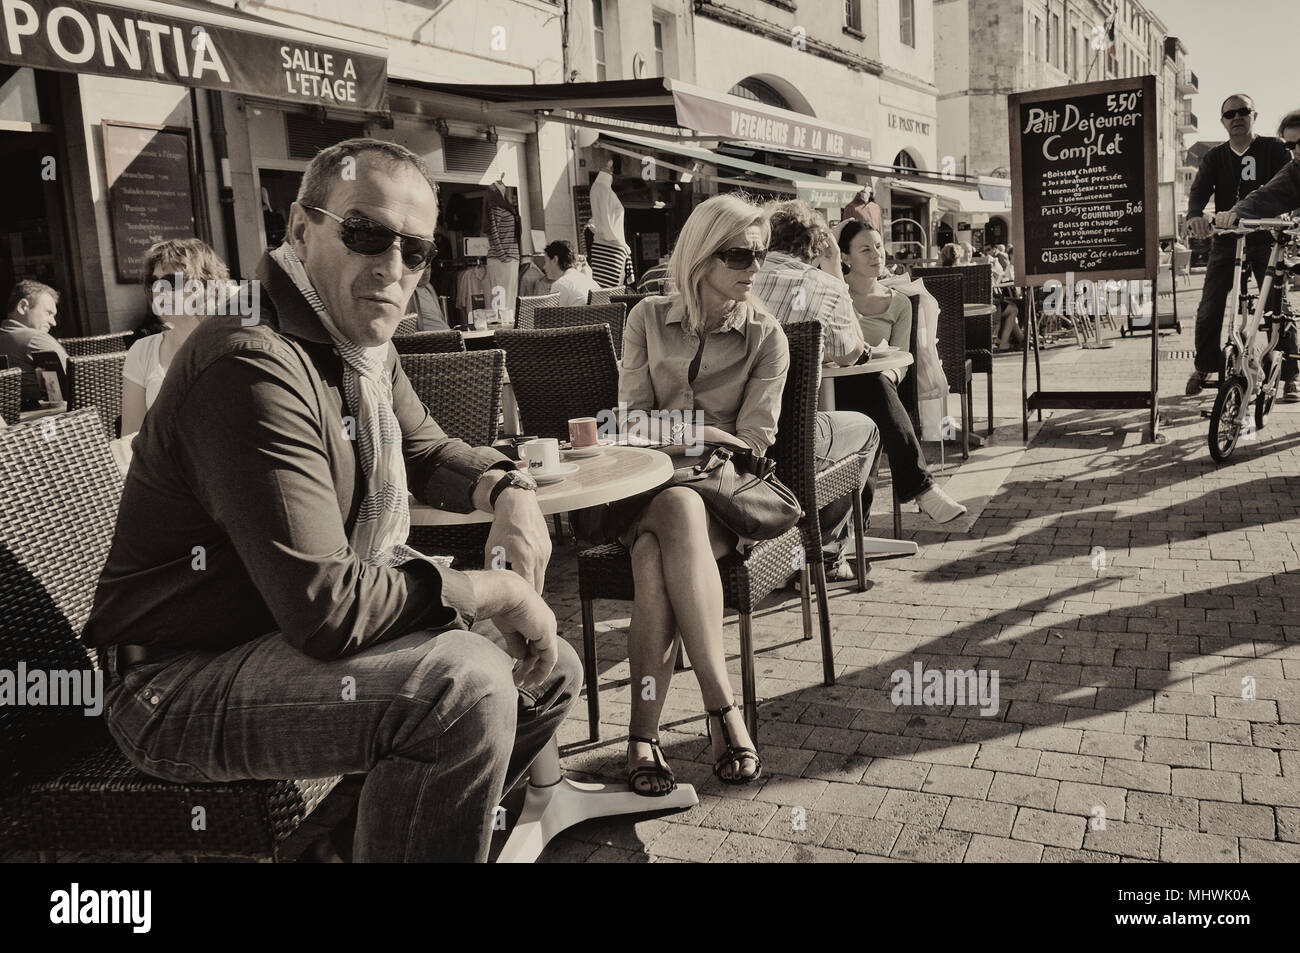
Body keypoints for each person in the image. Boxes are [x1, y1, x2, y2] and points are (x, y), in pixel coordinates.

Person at [82, 138, 580, 863]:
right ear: (298, 229)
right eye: (366, 233)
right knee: (464, 690)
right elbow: (329, 608)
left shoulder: (357, 346)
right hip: (171, 687)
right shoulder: (251, 361)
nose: (393, 267)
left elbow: (427, 449)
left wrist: (509, 487)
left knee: (550, 669)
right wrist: (495, 589)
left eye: (417, 251)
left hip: (268, 642)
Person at [616, 193, 788, 796]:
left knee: (655, 550)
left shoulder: (767, 337)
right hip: (645, 487)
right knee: (668, 513)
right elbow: (627, 422)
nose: (755, 267)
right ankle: (723, 710)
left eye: (761, 254)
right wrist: (706, 432)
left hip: (721, 498)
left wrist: (697, 438)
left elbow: (755, 444)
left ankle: (643, 736)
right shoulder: (645, 318)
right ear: (701, 256)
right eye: (740, 254)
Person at [750, 200, 882, 583]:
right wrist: (834, 271)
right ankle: (827, 548)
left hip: (738, 435)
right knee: (867, 431)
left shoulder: (741, 279)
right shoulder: (823, 286)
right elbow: (851, 352)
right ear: (814, 245)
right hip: (794, 433)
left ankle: (787, 543)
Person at [836, 220, 967, 524]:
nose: (876, 255)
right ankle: (922, 489)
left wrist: (884, 377)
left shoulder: (900, 303)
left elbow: (900, 360)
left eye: (878, 247)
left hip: (880, 386)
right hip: (834, 389)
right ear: (845, 258)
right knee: (875, 403)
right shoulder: (835, 296)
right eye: (865, 249)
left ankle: (851, 534)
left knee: (874, 393)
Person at [1184, 94, 1292, 397]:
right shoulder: (1215, 157)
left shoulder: (1274, 149)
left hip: (1266, 238)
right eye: (1230, 114)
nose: (1236, 118)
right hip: (1227, 239)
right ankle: (1205, 364)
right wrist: (1195, 216)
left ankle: (1290, 373)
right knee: (1210, 305)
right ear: (1222, 121)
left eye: (1243, 112)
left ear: (1254, 115)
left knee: (1276, 305)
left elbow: (1291, 184)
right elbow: (1200, 190)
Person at [120, 240, 231, 436]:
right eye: (154, 282)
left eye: (171, 281)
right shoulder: (142, 351)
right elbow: (131, 436)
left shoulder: (231, 345)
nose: (159, 291)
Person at [1, 279, 64, 408]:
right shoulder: (35, 339)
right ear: (23, 307)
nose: (53, 322)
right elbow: (76, 384)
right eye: (48, 313)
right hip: (50, 420)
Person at [543, 238, 601, 306]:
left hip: (579, 316)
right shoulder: (590, 281)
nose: (544, 267)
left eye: (545, 262)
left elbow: (551, 315)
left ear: (555, 260)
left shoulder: (560, 285)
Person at [406, 262, 450, 332]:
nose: (425, 272)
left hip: (444, 335)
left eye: (428, 267)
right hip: (425, 339)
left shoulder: (429, 287)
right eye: (421, 269)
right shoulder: (407, 291)